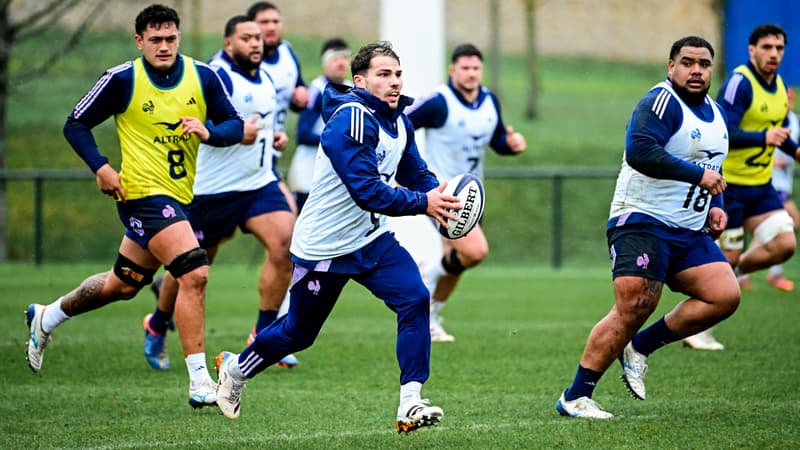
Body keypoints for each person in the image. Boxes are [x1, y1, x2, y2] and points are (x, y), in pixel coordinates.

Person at [214, 41, 458, 432]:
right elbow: (368, 191)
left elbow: (415, 173)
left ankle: (410, 402)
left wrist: (441, 199)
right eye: (384, 74)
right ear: (360, 80)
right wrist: (423, 203)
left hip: (370, 238)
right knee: (299, 333)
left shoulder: (399, 120)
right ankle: (236, 370)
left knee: (415, 298)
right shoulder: (350, 121)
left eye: (397, 74)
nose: (394, 82)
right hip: (324, 247)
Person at [25, 4, 243, 409]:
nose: (164, 46)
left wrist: (209, 131)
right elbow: (75, 124)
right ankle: (200, 381)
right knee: (194, 272)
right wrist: (103, 167)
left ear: (178, 37)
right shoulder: (123, 79)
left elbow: (235, 126)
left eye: (171, 38)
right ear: (139, 41)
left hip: (178, 198)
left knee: (123, 285)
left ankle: (48, 315)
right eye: (155, 39)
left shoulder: (203, 76)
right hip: (140, 194)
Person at [555, 36, 740, 419]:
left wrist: (717, 206)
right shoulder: (660, 102)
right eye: (687, 62)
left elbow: (715, 168)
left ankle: (639, 347)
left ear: (712, 70)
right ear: (670, 66)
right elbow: (641, 151)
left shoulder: (717, 114)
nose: (695, 70)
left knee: (724, 295)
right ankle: (575, 396)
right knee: (637, 302)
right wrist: (698, 177)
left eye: (703, 64)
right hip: (642, 219)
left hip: (689, 231)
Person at [142, 16, 298, 372]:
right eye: (247, 38)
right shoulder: (216, 75)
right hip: (210, 192)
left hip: (258, 184)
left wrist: (275, 138)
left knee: (286, 243)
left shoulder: (267, 77)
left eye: (258, 37)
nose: (256, 43)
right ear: (229, 44)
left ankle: (264, 335)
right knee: (190, 269)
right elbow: (191, 123)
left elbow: (261, 123)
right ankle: (157, 321)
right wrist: (224, 132)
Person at [685, 24, 800, 350]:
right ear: (752, 50)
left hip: (761, 186)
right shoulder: (739, 83)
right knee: (730, 253)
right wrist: (763, 138)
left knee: (784, 243)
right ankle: (697, 326)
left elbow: (779, 133)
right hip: (729, 186)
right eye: (767, 47)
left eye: (779, 47)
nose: (774, 53)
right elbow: (724, 132)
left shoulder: (779, 87)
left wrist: (795, 151)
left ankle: (728, 271)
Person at [406, 43, 526, 342]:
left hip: (472, 193)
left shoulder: (489, 102)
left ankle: (431, 318)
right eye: (465, 68)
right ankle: (427, 272)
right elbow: (403, 122)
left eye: (476, 68)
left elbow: (497, 139)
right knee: (475, 251)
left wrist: (510, 146)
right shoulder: (438, 102)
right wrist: (409, 167)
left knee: (457, 263)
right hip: (442, 192)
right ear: (452, 70)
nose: (471, 74)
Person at [247, 1, 308, 214]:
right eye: (264, 22)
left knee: (285, 229)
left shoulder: (287, 52)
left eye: (275, 21)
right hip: (238, 158)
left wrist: (300, 97)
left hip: (269, 157)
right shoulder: (234, 61)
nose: (271, 27)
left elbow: (298, 93)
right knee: (210, 242)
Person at [736, 87, 799, 292]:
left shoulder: (794, 122)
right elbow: (759, 145)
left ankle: (745, 271)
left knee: (778, 234)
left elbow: (789, 146)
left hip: (779, 186)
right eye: (786, 100)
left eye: (790, 100)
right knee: (790, 225)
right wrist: (773, 162)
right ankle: (769, 273)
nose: (788, 103)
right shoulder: (764, 117)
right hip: (768, 184)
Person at [287, 37, 351, 212]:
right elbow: (303, 134)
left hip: (335, 171)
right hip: (310, 171)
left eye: (345, 57)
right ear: (325, 62)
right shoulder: (317, 91)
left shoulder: (351, 90)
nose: (341, 63)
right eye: (336, 58)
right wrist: (337, 140)